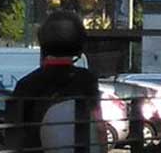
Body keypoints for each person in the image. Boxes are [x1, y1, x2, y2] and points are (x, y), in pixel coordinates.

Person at [7, 9, 100, 153]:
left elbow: (14, 134)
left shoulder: (26, 84)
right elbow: (98, 126)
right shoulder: (87, 81)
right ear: (79, 44)